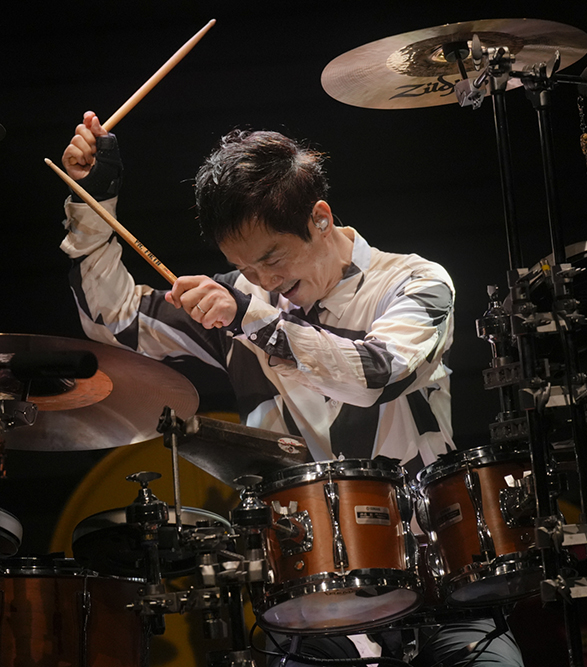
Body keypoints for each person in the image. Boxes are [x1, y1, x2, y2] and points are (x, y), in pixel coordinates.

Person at [58, 111, 524, 666]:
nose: (264, 281)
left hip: (436, 576)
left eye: (272, 259)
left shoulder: (414, 281)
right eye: (243, 267)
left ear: (320, 217)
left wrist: (253, 320)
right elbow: (111, 318)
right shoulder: (242, 303)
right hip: (310, 595)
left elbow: (377, 374)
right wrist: (94, 200)